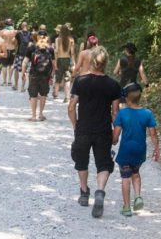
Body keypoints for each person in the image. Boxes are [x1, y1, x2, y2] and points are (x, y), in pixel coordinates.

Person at [68, 46, 121, 218]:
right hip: (103, 130)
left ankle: (84, 193)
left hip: (84, 128)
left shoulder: (80, 81)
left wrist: (76, 125)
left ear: (91, 62)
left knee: (81, 160)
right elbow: (115, 113)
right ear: (106, 63)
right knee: (104, 163)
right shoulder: (113, 85)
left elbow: (71, 107)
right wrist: (116, 133)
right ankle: (99, 191)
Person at [112, 82, 160, 217]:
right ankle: (138, 196)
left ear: (126, 98)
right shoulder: (147, 113)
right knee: (136, 173)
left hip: (125, 150)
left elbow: (116, 136)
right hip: (140, 150)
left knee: (125, 177)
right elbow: (153, 134)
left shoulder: (122, 114)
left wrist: (112, 140)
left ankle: (127, 207)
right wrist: (157, 149)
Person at [22, 30, 56, 121]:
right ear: (46, 37)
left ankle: (33, 116)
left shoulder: (31, 47)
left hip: (33, 74)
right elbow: (54, 65)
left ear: (37, 37)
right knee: (43, 94)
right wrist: (52, 76)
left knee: (33, 95)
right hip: (46, 75)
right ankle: (41, 114)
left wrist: (23, 73)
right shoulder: (50, 49)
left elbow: (25, 62)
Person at [53, 23, 75, 102]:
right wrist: (73, 63)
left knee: (58, 78)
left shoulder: (57, 39)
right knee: (67, 78)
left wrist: (55, 63)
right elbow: (72, 53)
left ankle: (56, 95)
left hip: (59, 59)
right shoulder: (71, 40)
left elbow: (56, 51)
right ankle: (67, 97)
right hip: (67, 60)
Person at [13, 22, 32, 92]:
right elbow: (31, 44)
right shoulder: (30, 34)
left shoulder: (18, 33)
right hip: (27, 55)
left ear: (21, 26)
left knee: (16, 69)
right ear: (27, 26)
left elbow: (14, 43)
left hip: (19, 54)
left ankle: (15, 85)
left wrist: (15, 51)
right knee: (26, 71)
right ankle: (22, 87)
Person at [0, 18, 17, 86]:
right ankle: (9, 80)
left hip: (5, 49)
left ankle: (4, 81)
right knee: (11, 65)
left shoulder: (2, 31)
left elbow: (0, 41)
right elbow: (16, 42)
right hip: (12, 49)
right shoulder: (14, 32)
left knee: (4, 66)